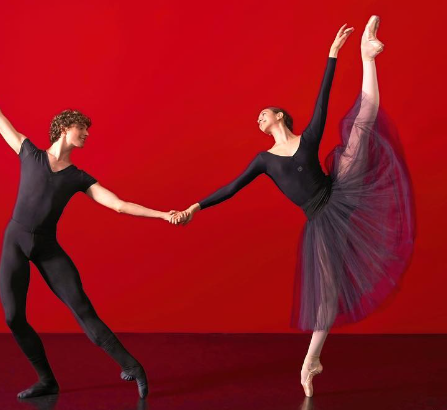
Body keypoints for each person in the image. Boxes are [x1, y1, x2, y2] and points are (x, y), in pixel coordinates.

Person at [172, 16, 415, 397]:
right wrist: (196, 206)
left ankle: (367, 56)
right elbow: (232, 187)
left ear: (280, 116)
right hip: (322, 220)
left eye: (264, 113)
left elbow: (323, 99)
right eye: (258, 118)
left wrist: (333, 54)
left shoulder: (307, 138)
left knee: (360, 127)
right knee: (327, 297)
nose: (258, 118)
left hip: (341, 191)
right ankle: (310, 362)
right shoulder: (264, 160)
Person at [0, 64, 181, 400]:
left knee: (82, 309)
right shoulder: (29, 152)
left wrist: (163, 215)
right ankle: (47, 380)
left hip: (47, 248)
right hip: (15, 242)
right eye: (83, 128)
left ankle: (134, 367)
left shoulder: (78, 177)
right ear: (66, 128)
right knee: (13, 317)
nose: (87, 134)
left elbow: (119, 205)